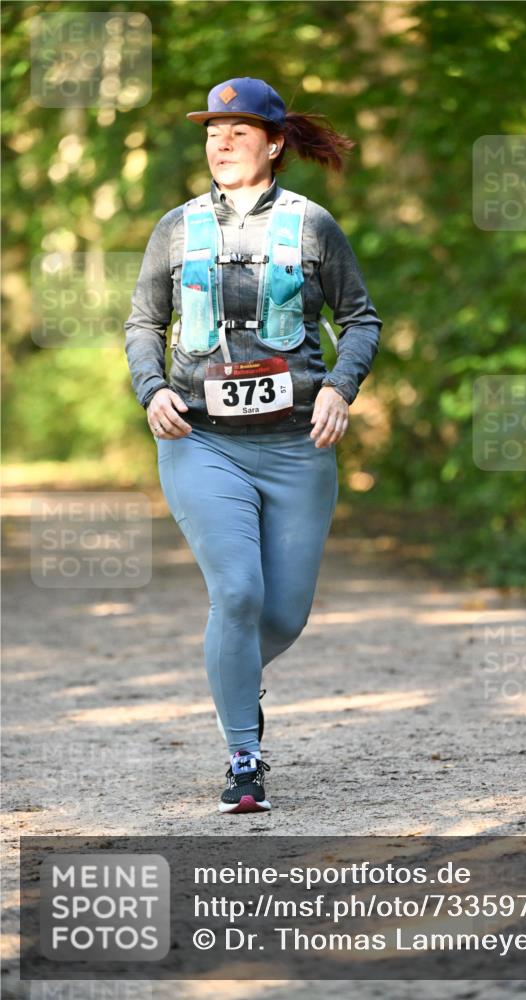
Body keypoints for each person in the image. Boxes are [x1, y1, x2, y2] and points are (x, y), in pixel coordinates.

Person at [124, 77, 382, 815]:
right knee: (236, 593)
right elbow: (143, 322)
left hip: (297, 445)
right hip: (202, 442)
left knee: (282, 615)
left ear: (273, 144)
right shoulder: (175, 228)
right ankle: (243, 758)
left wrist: (339, 385)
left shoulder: (313, 226)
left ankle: (232, 671)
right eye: (213, 131)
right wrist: (152, 388)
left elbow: (360, 319)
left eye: (239, 131)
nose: (222, 142)